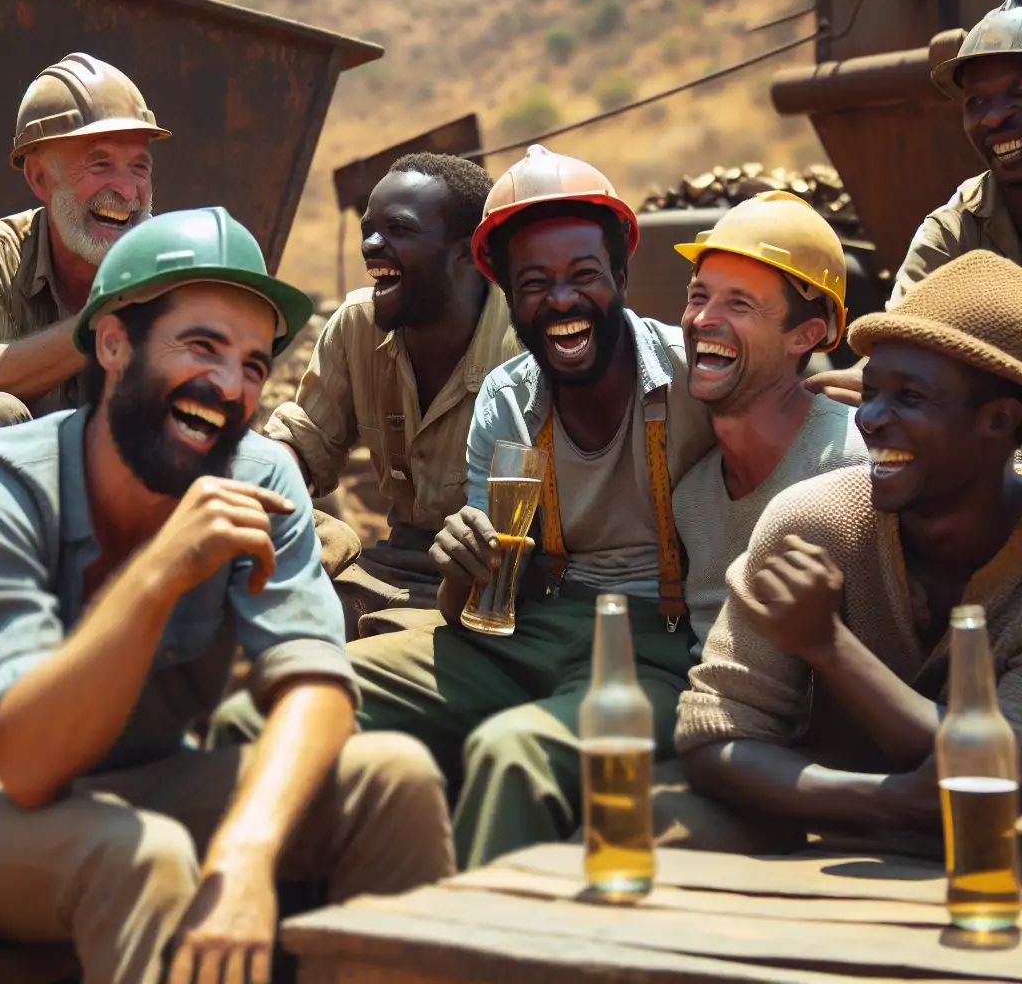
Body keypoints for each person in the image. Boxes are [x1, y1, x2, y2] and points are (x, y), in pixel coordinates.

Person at [0, 207, 454, 984]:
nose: (230, 386)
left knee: (394, 779)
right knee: (145, 856)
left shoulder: (255, 473)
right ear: (113, 342)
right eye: (201, 347)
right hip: (14, 802)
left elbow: (313, 676)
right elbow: (30, 768)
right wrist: (158, 575)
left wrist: (245, 852)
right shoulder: (14, 484)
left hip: (149, 779)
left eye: (252, 362)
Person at [346, 144, 715, 870]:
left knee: (511, 754)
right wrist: (460, 566)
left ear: (621, 278)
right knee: (324, 690)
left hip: (664, 644)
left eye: (584, 276)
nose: (562, 302)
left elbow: (785, 410)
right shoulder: (508, 397)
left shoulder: (691, 377)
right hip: (537, 626)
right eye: (534, 283)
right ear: (508, 299)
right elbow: (482, 603)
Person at [661, 249, 1022, 856]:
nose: (872, 419)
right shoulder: (815, 520)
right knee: (659, 827)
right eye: (871, 392)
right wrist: (884, 800)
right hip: (833, 824)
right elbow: (714, 737)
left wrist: (827, 646)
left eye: (909, 398)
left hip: (997, 855)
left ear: (999, 421)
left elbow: (1000, 772)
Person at [264, 153, 519, 636]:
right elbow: (304, 440)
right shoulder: (356, 325)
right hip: (395, 561)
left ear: (467, 252)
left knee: (350, 664)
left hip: (491, 585)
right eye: (369, 228)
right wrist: (270, 489)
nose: (371, 246)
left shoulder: (521, 345)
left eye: (399, 229)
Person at [672, 191, 868, 650]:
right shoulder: (692, 498)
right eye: (699, 296)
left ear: (806, 336)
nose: (702, 319)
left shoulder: (851, 471)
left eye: (739, 305)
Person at [807, 0, 1022, 404]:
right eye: (976, 102)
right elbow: (899, 344)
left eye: (1018, 92)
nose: (994, 116)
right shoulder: (957, 227)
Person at [0, 52, 167, 425]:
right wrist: (105, 319)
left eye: (139, 166)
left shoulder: (172, 265)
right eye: (100, 163)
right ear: (40, 179)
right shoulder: (4, 255)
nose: (126, 191)